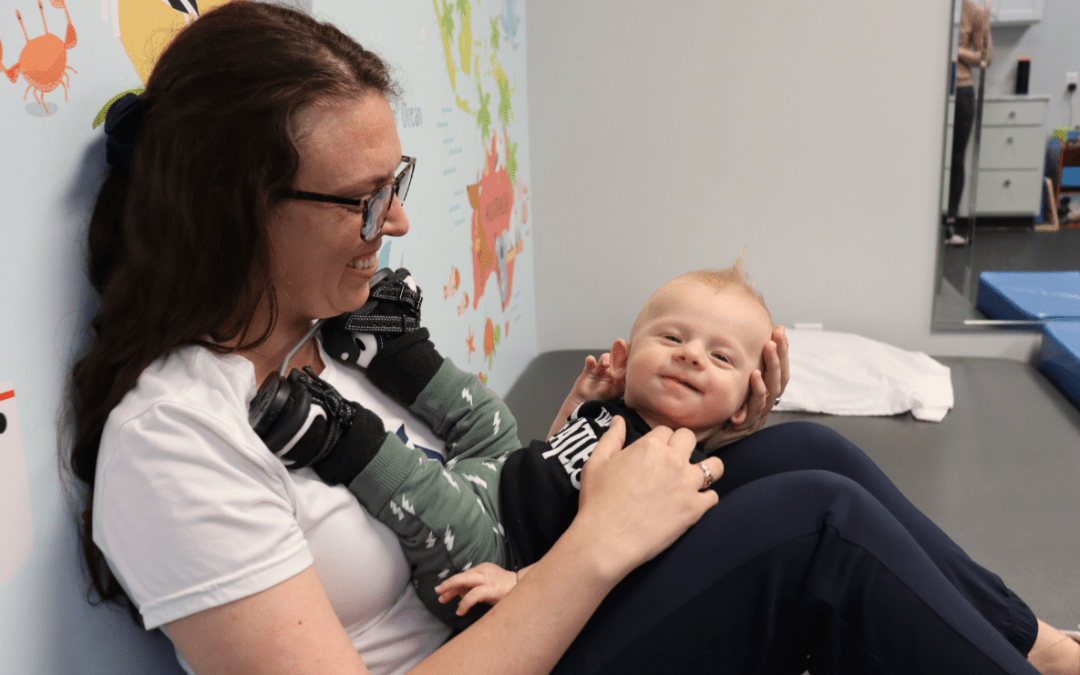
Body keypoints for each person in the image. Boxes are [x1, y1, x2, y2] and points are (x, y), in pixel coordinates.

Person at [66, 3, 1080, 674]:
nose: (399, 222)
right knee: (817, 523)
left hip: (529, 611)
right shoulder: (176, 438)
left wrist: (662, 440)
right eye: (366, 200)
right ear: (236, 205)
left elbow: (498, 483)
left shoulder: (333, 343)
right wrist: (597, 545)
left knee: (801, 451)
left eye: (397, 185)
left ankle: (1038, 649)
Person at [254, 262, 775, 629]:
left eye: (721, 358)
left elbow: (621, 567)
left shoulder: (679, 471)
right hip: (503, 479)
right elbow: (556, 455)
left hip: (498, 562)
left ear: (743, 403)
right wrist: (578, 402)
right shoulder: (618, 408)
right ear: (624, 355)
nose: (691, 356)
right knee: (491, 416)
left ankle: (333, 435)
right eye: (673, 338)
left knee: (431, 493)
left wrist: (521, 584)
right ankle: (386, 344)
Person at [945, 0, 993, 246]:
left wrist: (956, 50)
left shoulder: (974, 11)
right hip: (929, 89)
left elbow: (986, 57)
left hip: (961, 90)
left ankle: (950, 223)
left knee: (956, 158)